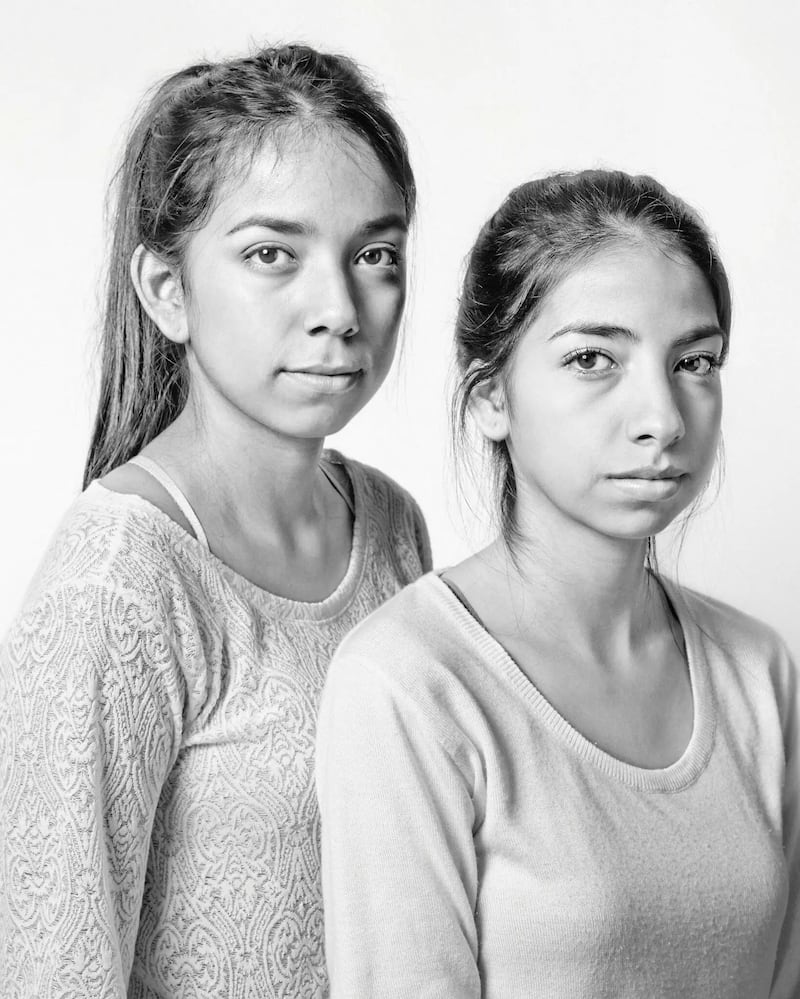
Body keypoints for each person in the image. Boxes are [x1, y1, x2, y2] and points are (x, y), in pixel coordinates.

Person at [0, 44, 430, 999]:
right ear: (166, 290)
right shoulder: (115, 588)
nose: (339, 309)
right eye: (272, 254)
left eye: (374, 255)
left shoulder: (394, 528)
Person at [316, 170, 800, 998]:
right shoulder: (408, 685)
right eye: (592, 358)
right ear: (489, 398)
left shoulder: (759, 672)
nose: (664, 416)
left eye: (695, 360)